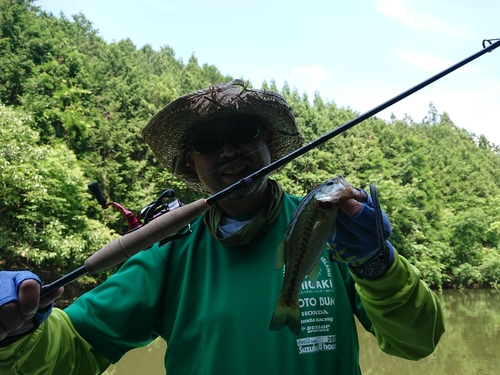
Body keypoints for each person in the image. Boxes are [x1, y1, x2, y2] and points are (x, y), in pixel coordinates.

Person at [0, 80, 445, 374]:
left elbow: (417, 342)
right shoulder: (169, 252)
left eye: (245, 132)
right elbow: (75, 346)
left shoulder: (336, 231)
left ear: (268, 142)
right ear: (191, 163)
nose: (230, 151)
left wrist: (377, 265)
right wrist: (19, 333)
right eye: (209, 144)